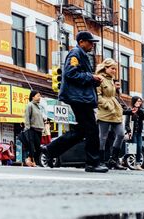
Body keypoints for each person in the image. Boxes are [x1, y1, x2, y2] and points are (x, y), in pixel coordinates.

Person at [41, 31, 106, 172]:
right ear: (81, 41)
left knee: (82, 130)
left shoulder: (81, 55)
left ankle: (50, 149)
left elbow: (79, 76)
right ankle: (92, 163)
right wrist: (92, 77)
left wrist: (93, 80)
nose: (92, 45)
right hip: (79, 98)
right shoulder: (75, 53)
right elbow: (71, 73)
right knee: (92, 130)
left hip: (81, 97)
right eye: (90, 42)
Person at [94, 58, 125, 170]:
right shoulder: (99, 79)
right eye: (112, 68)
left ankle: (113, 160)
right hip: (104, 112)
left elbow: (112, 96)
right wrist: (107, 105)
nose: (114, 71)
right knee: (102, 137)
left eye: (115, 69)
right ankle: (101, 161)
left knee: (121, 134)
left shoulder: (111, 80)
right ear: (105, 68)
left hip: (115, 112)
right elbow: (97, 96)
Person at [124, 96, 144, 170]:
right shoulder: (130, 110)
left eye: (140, 101)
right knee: (132, 149)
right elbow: (127, 122)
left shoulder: (140, 111)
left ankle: (137, 164)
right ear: (134, 102)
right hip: (133, 132)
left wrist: (139, 110)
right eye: (137, 101)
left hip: (139, 132)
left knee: (139, 148)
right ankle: (122, 159)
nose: (139, 103)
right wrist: (128, 131)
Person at [23, 90, 45, 167]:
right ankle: (29, 160)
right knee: (32, 147)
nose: (39, 97)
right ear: (33, 97)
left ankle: (31, 160)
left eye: (40, 96)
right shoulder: (30, 105)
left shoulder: (38, 107)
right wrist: (27, 128)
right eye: (38, 95)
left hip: (39, 129)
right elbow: (27, 117)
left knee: (37, 147)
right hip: (32, 129)